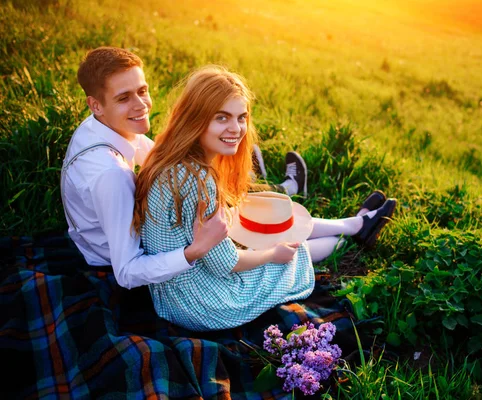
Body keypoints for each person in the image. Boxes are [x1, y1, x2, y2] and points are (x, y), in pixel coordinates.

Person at [132, 66, 396, 331]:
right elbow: (225, 264)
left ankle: (355, 224)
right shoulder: (196, 180)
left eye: (241, 117)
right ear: (195, 118)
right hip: (202, 304)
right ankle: (350, 236)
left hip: (171, 295)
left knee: (266, 221)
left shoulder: (168, 157)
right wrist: (271, 255)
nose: (236, 128)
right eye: (222, 118)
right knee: (294, 252)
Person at [60, 46, 306, 289]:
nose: (141, 105)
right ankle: (281, 190)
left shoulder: (102, 126)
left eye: (142, 91)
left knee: (211, 195)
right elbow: (127, 272)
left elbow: (162, 157)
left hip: (119, 235)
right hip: (124, 261)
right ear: (96, 105)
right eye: (124, 97)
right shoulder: (111, 175)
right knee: (220, 212)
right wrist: (194, 251)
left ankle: (268, 184)